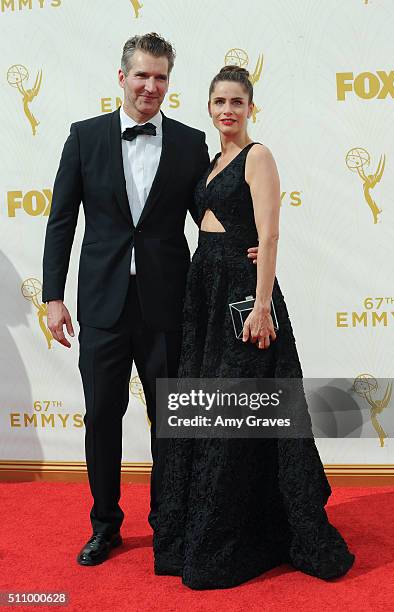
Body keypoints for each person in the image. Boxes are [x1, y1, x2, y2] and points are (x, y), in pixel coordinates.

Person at [42, 33, 259, 566]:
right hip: (101, 304)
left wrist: (249, 246)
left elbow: (206, 212)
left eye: (161, 77)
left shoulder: (188, 144)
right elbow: (61, 221)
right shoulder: (85, 137)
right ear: (122, 78)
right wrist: (52, 296)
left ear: (169, 82)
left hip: (168, 304)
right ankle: (105, 524)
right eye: (142, 75)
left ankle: (171, 524)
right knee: (101, 417)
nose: (151, 86)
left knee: (172, 421)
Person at [152, 66, 356, 589]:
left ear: (250, 107)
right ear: (209, 106)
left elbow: (269, 236)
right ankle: (211, 528)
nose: (227, 110)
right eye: (219, 101)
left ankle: (230, 538)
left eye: (237, 102)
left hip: (244, 296)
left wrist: (262, 304)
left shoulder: (257, 156)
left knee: (236, 413)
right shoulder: (211, 159)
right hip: (205, 295)